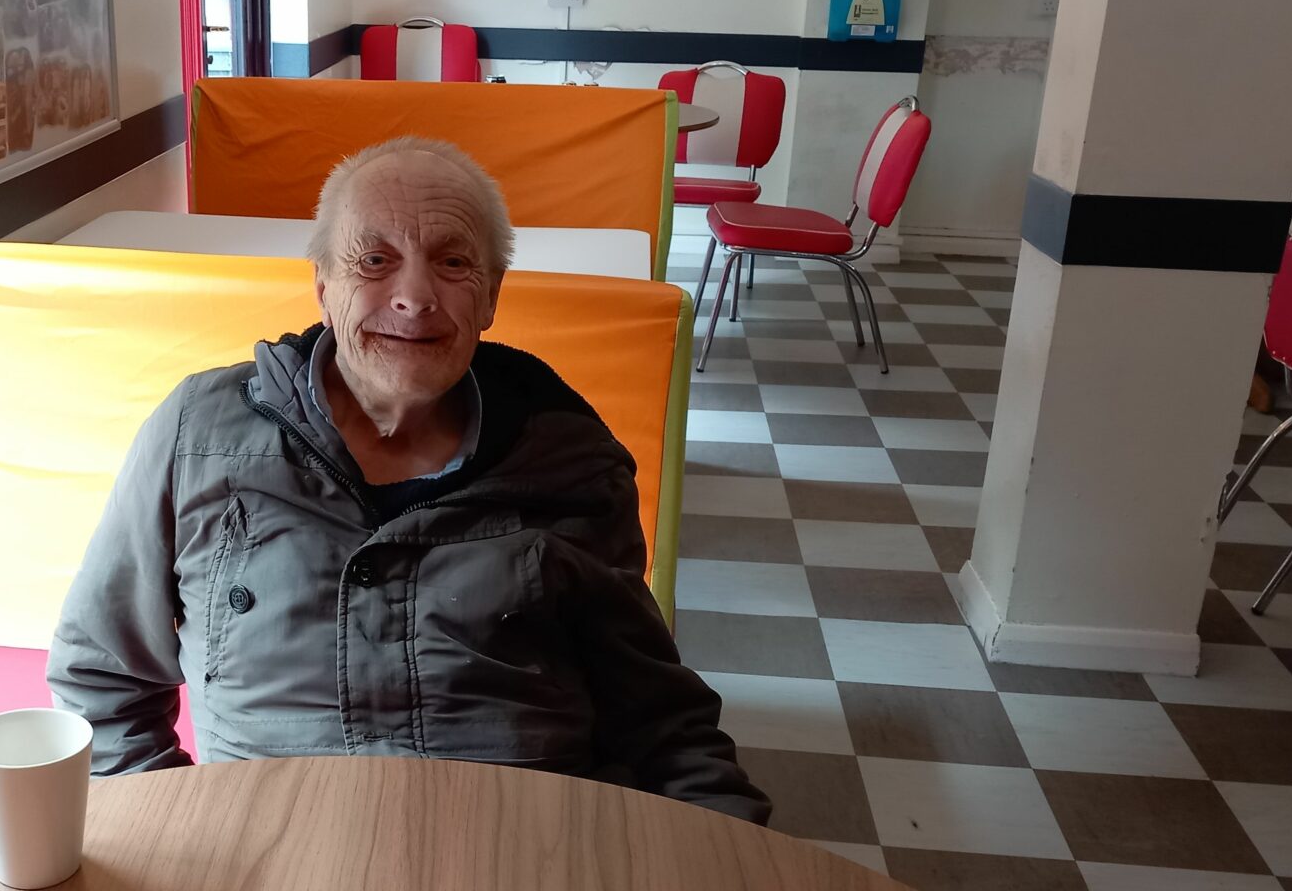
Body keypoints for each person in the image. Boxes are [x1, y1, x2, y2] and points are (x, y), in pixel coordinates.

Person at [46, 136, 769, 824]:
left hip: (523, 861)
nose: (415, 296)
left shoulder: (568, 459)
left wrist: (729, 858)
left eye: (453, 262)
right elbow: (102, 679)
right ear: (323, 286)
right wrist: (178, 835)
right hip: (268, 861)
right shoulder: (197, 434)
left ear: (491, 297)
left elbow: (656, 721)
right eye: (374, 260)